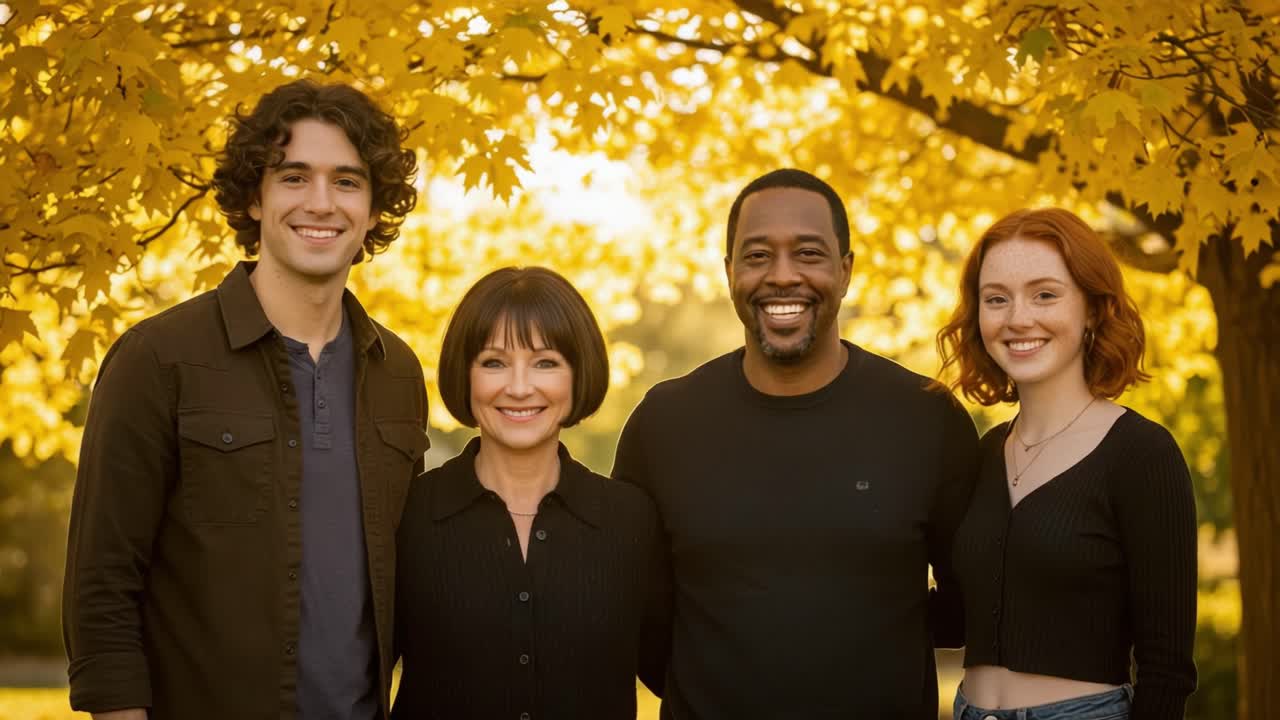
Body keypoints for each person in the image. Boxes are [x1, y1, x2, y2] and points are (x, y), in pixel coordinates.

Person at [62, 80, 429, 720]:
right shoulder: (158, 358)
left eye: (347, 181)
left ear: (374, 209)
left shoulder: (396, 370)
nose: (321, 202)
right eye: (293, 177)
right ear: (254, 199)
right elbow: (101, 585)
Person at [611, 168, 980, 718]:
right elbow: (639, 613)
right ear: (730, 271)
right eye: (757, 256)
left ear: (846, 269)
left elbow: (968, 598)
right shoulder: (663, 423)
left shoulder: (927, 418)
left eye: (808, 254)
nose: (782, 277)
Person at [938, 208, 1197, 720]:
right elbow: (954, 616)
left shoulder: (1141, 454)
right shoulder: (983, 453)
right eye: (996, 299)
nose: (1017, 318)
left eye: (1045, 294)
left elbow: (1166, 669)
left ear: (1093, 311)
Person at [393, 266, 669, 719]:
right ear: (465, 374)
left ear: (578, 375)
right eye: (494, 362)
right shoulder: (407, 515)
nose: (519, 388)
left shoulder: (632, 520)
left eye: (545, 362)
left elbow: (678, 673)